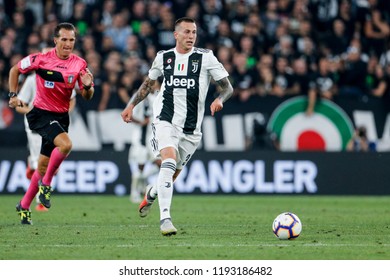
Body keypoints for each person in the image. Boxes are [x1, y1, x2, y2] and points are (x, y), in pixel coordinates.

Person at [121, 17, 233, 236]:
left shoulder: (206, 58)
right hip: (165, 119)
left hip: (192, 129)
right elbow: (147, 85)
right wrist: (131, 105)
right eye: (187, 32)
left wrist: (220, 99)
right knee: (168, 160)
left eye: (194, 32)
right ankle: (165, 219)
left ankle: (151, 193)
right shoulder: (163, 58)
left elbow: (227, 88)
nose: (191, 36)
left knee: (171, 175)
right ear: (176, 34)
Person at [8, 22, 94, 225]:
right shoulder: (41, 59)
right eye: (63, 39)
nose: (67, 44)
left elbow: (87, 96)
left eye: (71, 40)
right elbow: (14, 70)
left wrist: (88, 87)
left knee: (43, 166)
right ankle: (46, 185)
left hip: (61, 117)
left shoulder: (79, 64)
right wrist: (12, 95)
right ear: (55, 40)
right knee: (66, 145)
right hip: (40, 114)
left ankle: (24, 204)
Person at [15, 48, 77, 211]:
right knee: (42, 165)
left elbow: (72, 100)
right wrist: (30, 111)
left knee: (47, 165)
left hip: (55, 122)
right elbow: (19, 103)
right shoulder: (31, 79)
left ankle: (24, 204)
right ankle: (39, 201)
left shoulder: (63, 76)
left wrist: (64, 112)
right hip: (36, 125)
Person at [128, 81, 161, 203]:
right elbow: (128, 114)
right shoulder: (138, 96)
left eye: (156, 84)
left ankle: (143, 181)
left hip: (154, 137)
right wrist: (141, 122)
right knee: (140, 166)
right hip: (140, 138)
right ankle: (134, 194)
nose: (154, 86)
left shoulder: (158, 97)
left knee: (161, 164)